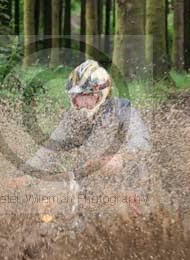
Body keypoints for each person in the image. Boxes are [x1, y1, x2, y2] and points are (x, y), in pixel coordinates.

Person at [10, 59, 151, 189]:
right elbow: (49, 150)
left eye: (84, 97)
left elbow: (143, 141)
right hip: (89, 183)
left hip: (128, 183)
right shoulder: (73, 118)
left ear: (100, 95)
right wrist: (24, 175)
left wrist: (121, 157)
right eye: (75, 98)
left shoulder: (123, 110)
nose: (79, 104)